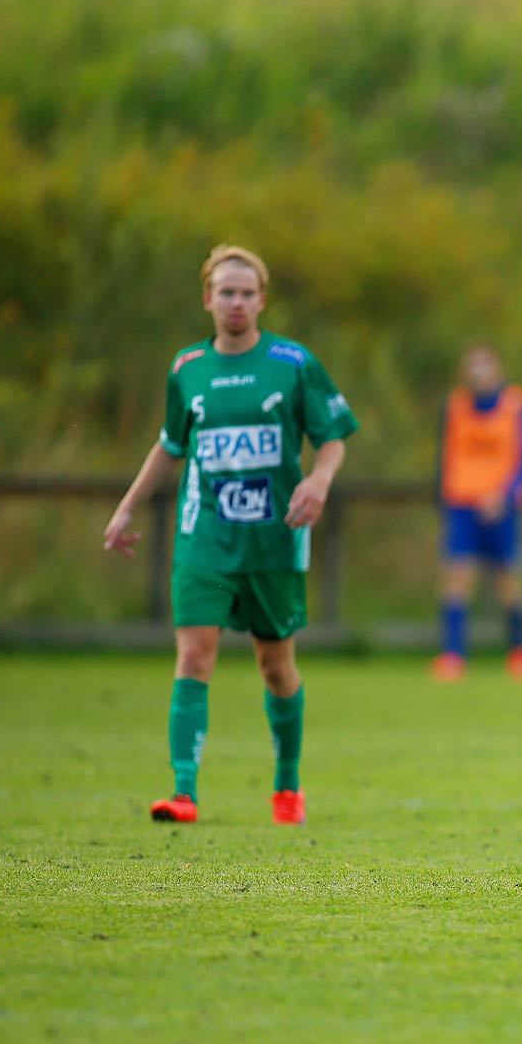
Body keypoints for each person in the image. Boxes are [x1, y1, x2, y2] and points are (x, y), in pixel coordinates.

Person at [103, 245, 359, 825]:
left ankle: (287, 785)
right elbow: (171, 445)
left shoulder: (294, 364)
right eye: (226, 291)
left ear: (261, 300)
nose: (236, 301)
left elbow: (334, 437)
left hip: (274, 539)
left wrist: (318, 480)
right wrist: (125, 509)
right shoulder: (186, 368)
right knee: (194, 655)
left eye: (246, 292)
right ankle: (184, 791)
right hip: (205, 536)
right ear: (208, 299)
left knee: (275, 666)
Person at [432, 342, 522, 682]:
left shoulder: (515, 405)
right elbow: (447, 456)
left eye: (485, 364)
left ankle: (520, 652)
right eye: (473, 365)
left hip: (502, 507)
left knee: (508, 579)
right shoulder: (456, 406)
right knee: (457, 577)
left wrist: (504, 496)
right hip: (462, 504)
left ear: (498, 369)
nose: (479, 372)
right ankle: (452, 655)